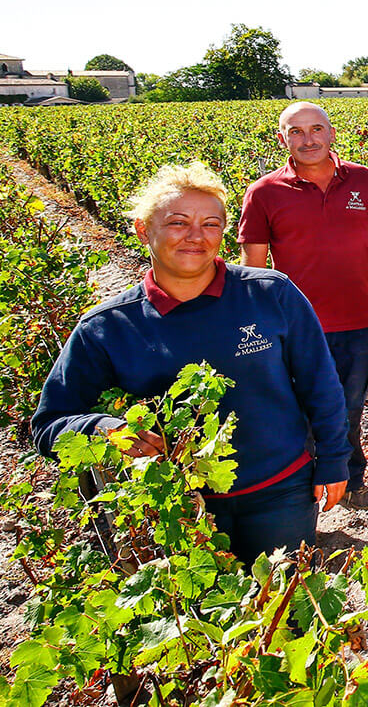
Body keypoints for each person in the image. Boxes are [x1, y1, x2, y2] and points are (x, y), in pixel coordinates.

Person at [31, 162, 350, 566]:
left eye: (211, 225)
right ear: (143, 229)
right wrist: (104, 429)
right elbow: (48, 424)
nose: (196, 237)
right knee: (197, 619)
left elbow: (320, 384)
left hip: (280, 491)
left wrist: (334, 461)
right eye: (178, 223)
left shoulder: (271, 293)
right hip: (172, 509)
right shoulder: (107, 327)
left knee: (282, 606)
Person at [238, 102, 368, 512]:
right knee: (301, 409)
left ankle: (351, 480)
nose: (308, 139)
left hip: (358, 317)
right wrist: (252, 320)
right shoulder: (264, 192)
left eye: (316, 129)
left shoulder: (362, 180)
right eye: (297, 131)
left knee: (349, 405)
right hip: (294, 326)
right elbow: (253, 267)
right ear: (282, 138)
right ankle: (303, 489)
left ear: (331, 133)